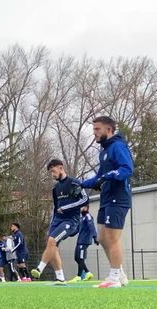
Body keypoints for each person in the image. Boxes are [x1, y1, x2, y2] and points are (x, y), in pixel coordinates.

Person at [81, 116, 133, 288]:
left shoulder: (118, 146)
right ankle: (121, 274)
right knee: (102, 238)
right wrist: (80, 183)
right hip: (106, 198)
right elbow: (99, 177)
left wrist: (107, 177)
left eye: (97, 129)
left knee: (112, 238)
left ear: (108, 130)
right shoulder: (103, 151)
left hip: (118, 198)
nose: (94, 133)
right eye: (94, 129)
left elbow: (127, 169)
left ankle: (114, 278)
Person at [31, 159, 89, 284]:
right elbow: (56, 208)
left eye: (53, 171)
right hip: (58, 220)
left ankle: (39, 268)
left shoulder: (74, 182)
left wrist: (67, 207)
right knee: (52, 246)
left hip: (71, 221)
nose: (52, 174)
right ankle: (60, 277)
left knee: (53, 241)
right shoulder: (55, 188)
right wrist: (52, 224)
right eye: (50, 172)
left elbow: (85, 199)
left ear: (60, 167)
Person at [68, 206, 98, 283]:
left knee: (80, 258)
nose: (81, 209)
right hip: (79, 241)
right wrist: (67, 234)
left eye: (82, 207)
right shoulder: (81, 218)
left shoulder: (88, 216)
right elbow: (76, 230)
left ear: (87, 208)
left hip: (85, 241)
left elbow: (91, 226)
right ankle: (88, 273)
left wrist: (95, 237)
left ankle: (78, 276)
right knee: (77, 258)